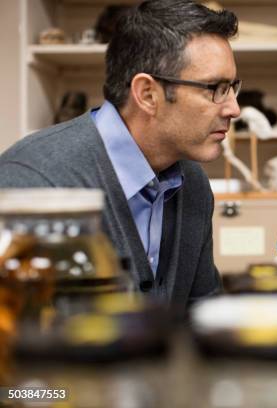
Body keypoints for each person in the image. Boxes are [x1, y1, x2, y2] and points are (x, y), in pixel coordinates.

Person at [0, 0, 241, 311]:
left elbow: (203, 316)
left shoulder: (192, 184)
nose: (234, 108)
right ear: (147, 94)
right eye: (216, 88)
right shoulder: (30, 182)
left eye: (233, 87)